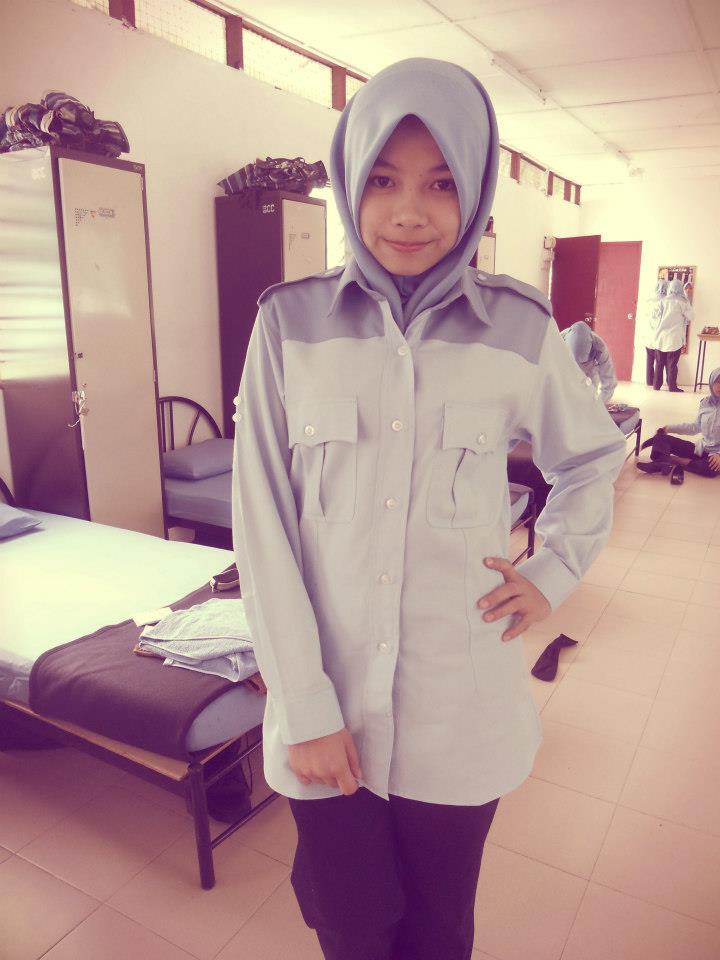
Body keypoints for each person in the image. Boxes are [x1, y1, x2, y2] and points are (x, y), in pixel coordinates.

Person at [232, 58, 626, 960]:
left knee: (438, 934)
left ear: (477, 191)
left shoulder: (521, 329)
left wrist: (551, 571)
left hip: (460, 714)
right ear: (348, 181)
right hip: (328, 714)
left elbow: (592, 458)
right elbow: (262, 524)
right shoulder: (288, 325)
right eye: (383, 179)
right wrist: (306, 703)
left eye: (442, 183)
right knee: (350, 928)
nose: (410, 211)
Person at [637, 367, 720, 482]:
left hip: (716, 455)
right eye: (718, 381)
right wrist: (669, 428)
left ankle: (670, 460)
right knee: (661, 438)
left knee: (710, 469)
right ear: (711, 382)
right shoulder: (705, 403)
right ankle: (661, 464)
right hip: (701, 449)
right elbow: (695, 427)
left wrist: (719, 454)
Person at [560, 320, 618, 402]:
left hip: (590, 374)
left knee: (590, 397)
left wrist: (599, 404)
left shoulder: (600, 347)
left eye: (582, 362)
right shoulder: (558, 341)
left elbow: (609, 383)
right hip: (566, 371)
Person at [653, 278, 693, 391]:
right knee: (672, 363)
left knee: (659, 362)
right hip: (674, 338)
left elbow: (654, 315)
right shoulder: (683, 303)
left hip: (660, 336)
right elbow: (691, 316)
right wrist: (687, 298)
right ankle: (672, 386)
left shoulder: (662, 301)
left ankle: (656, 385)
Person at [642, 280, 667, 386]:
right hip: (659, 335)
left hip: (647, 334)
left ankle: (649, 381)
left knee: (649, 359)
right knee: (659, 361)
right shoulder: (665, 301)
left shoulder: (649, 300)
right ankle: (657, 382)